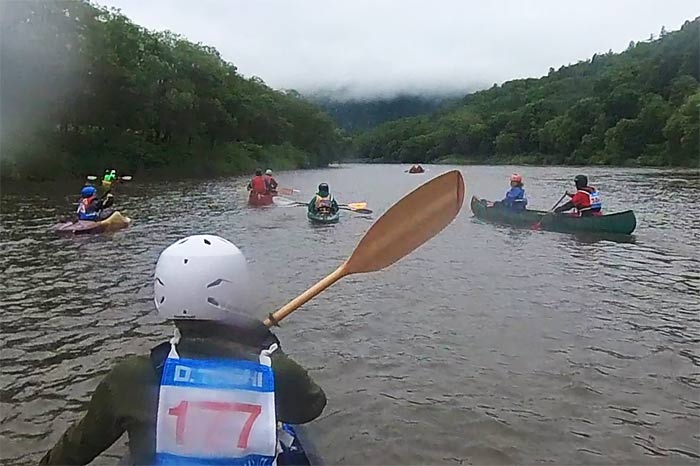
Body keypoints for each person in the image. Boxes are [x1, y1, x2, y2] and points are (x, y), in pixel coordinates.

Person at [39, 235, 327, 465]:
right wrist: (265, 345)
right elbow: (310, 407)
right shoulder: (276, 371)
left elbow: (75, 449)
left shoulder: (129, 377)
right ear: (236, 289)